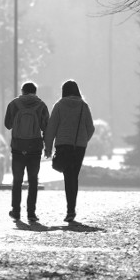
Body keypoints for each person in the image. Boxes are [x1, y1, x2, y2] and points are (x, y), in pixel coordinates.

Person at [44, 79, 95, 223]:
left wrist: (48, 148)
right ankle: (72, 209)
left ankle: (70, 210)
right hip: (79, 147)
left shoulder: (59, 106)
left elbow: (51, 128)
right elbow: (90, 128)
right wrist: (83, 140)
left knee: (68, 177)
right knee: (74, 176)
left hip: (63, 145)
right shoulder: (84, 107)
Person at [4, 81, 49, 223]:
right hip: (34, 148)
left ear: (22, 91)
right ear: (35, 92)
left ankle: (16, 212)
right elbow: (46, 126)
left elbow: (7, 125)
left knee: (17, 180)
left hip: (18, 146)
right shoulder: (41, 105)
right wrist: (47, 146)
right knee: (33, 181)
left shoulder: (14, 104)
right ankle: (31, 213)